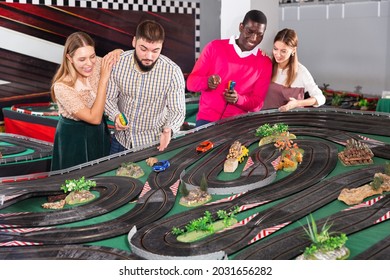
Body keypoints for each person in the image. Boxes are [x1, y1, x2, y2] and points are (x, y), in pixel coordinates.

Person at [105, 20, 186, 153]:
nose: (149, 56)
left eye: (155, 50)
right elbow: (109, 98)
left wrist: (169, 130)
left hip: (153, 144)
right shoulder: (118, 64)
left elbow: (177, 111)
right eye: (143, 49)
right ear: (134, 42)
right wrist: (115, 115)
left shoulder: (172, 71)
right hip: (120, 141)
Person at [186, 10, 272, 127]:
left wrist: (238, 99)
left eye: (259, 34)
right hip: (206, 121)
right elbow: (191, 83)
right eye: (250, 31)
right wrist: (207, 82)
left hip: (238, 125)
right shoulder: (214, 47)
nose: (254, 38)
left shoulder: (265, 63)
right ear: (241, 27)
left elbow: (257, 104)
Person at [50, 31, 122, 171]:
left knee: (102, 177)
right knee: (75, 184)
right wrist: (103, 80)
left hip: (99, 132)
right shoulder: (61, 86)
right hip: (74, 137)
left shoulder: (96, 65)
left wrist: (117, 51)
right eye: (82, 59)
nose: (89, 64)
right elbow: (94, 118)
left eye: (92, 56)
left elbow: (118, 56)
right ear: (69, 58)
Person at [262, 28, 326, 111]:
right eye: (275, 49)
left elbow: (320, 98)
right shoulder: (267, 64)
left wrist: (297, 103)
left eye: (283, 51)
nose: (278, 54)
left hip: (292, 120)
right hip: (266, 120)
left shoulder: (301, 72)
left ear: (293, 50)